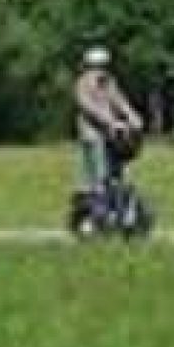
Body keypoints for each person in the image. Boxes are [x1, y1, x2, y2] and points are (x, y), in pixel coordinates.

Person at [73, 46, 144, 218]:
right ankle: (98, 206)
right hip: (92, 134)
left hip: (112, 135)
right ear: (89, 65)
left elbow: (119, 101)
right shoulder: (82, 84)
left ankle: (119, 203)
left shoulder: (109, 82)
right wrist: (111, 121)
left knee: (118, 171)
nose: (101, 69)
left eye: (103, 65)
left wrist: (133, 117)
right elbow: (88, 107)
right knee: (99, 172)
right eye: (97, 66)